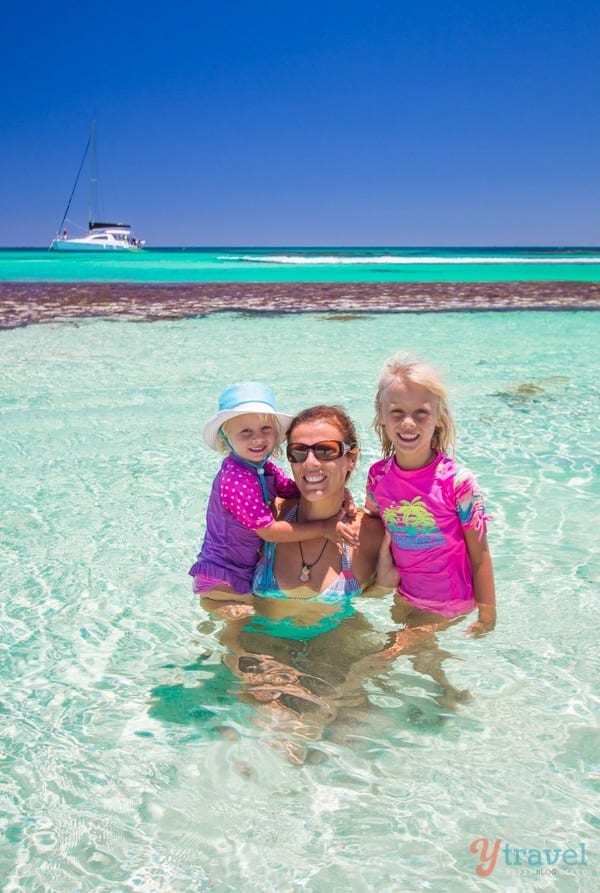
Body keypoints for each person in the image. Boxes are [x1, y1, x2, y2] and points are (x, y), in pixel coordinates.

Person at [189, 383, 358, 601]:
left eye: (265, 429)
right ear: (225, 437)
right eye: (245, 431)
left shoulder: (263, 469)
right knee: (242, 625)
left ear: (276, 432)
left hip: (241, 571)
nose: (257, 438)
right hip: (222, 576)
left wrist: (340, 492)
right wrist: (323, 529)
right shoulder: (235, 479)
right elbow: (268, 532)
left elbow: (293, 490)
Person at [366, 352, 496, 636]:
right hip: (405, 597)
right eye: (397, 412)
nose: (408, 423)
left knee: (379, 660)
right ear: (382, 416)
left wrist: (488, 614)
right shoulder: (377, 477)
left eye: (421, 413)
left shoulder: (457, 482)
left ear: (438, 417)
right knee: (424, 667)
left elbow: (480, 555)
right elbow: (374, 524)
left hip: (452, 603)